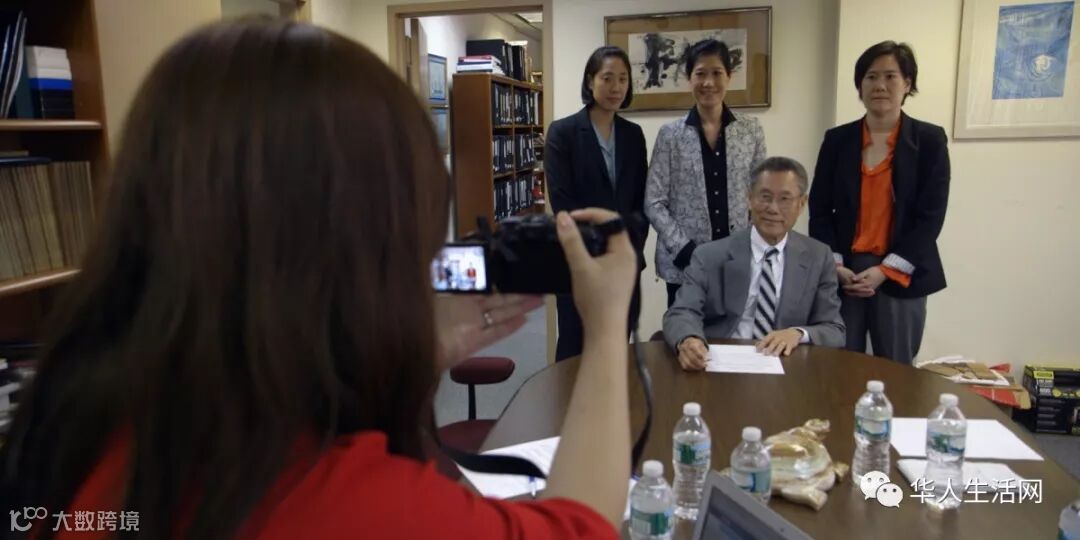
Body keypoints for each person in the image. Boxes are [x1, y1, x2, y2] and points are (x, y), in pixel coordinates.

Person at [0, 19, 638, 539]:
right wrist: (609, 324)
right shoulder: (331, 500)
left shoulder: (78, 415)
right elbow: (578, 528)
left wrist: (400, 363)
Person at [808, 41, 950, 365]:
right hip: (846, 274)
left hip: (901, 272)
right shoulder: (837, 140)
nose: (880, 86)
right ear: (860, 85)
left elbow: (930, 217)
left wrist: (886, 270)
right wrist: (836, 267)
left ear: (907, 83)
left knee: (896, 369)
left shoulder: (929, 140)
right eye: (871, 77)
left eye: (890, 76)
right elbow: (820, 210)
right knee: (839, 365)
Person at [664, 157, 845, 371]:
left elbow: (834, 330)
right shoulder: (709, 255)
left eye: (784, 199)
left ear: (802, 203)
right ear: (749, 198)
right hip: (721, 364)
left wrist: (797, 333)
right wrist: (688, 339)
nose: (773, 208)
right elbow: (681, 311)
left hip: (786, 367)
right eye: (765, 197)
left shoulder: (818, 256)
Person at [545, 45, 649, 361]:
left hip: (624, 261)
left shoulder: (633, 135)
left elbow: (639, 201)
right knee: (575, 349)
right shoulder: (562, 133)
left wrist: (627, 247)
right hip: (579, 260)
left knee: (616, 349)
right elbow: (563, 203)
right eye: (607, 78)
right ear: (590, 81)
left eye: (623, 79)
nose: (616, 87)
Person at [645, 38, 767, 307]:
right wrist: (685, 250)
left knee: (736, 330)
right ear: (689, 78)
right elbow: (654, 201)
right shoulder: (670, 135)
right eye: (700, 73)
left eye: (717, 73)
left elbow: (761, 195)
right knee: (685, 330)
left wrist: (749, 246)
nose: (708, 82)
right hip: (684, 264)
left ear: (729, 77)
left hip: (736, 261)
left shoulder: (751, 130)